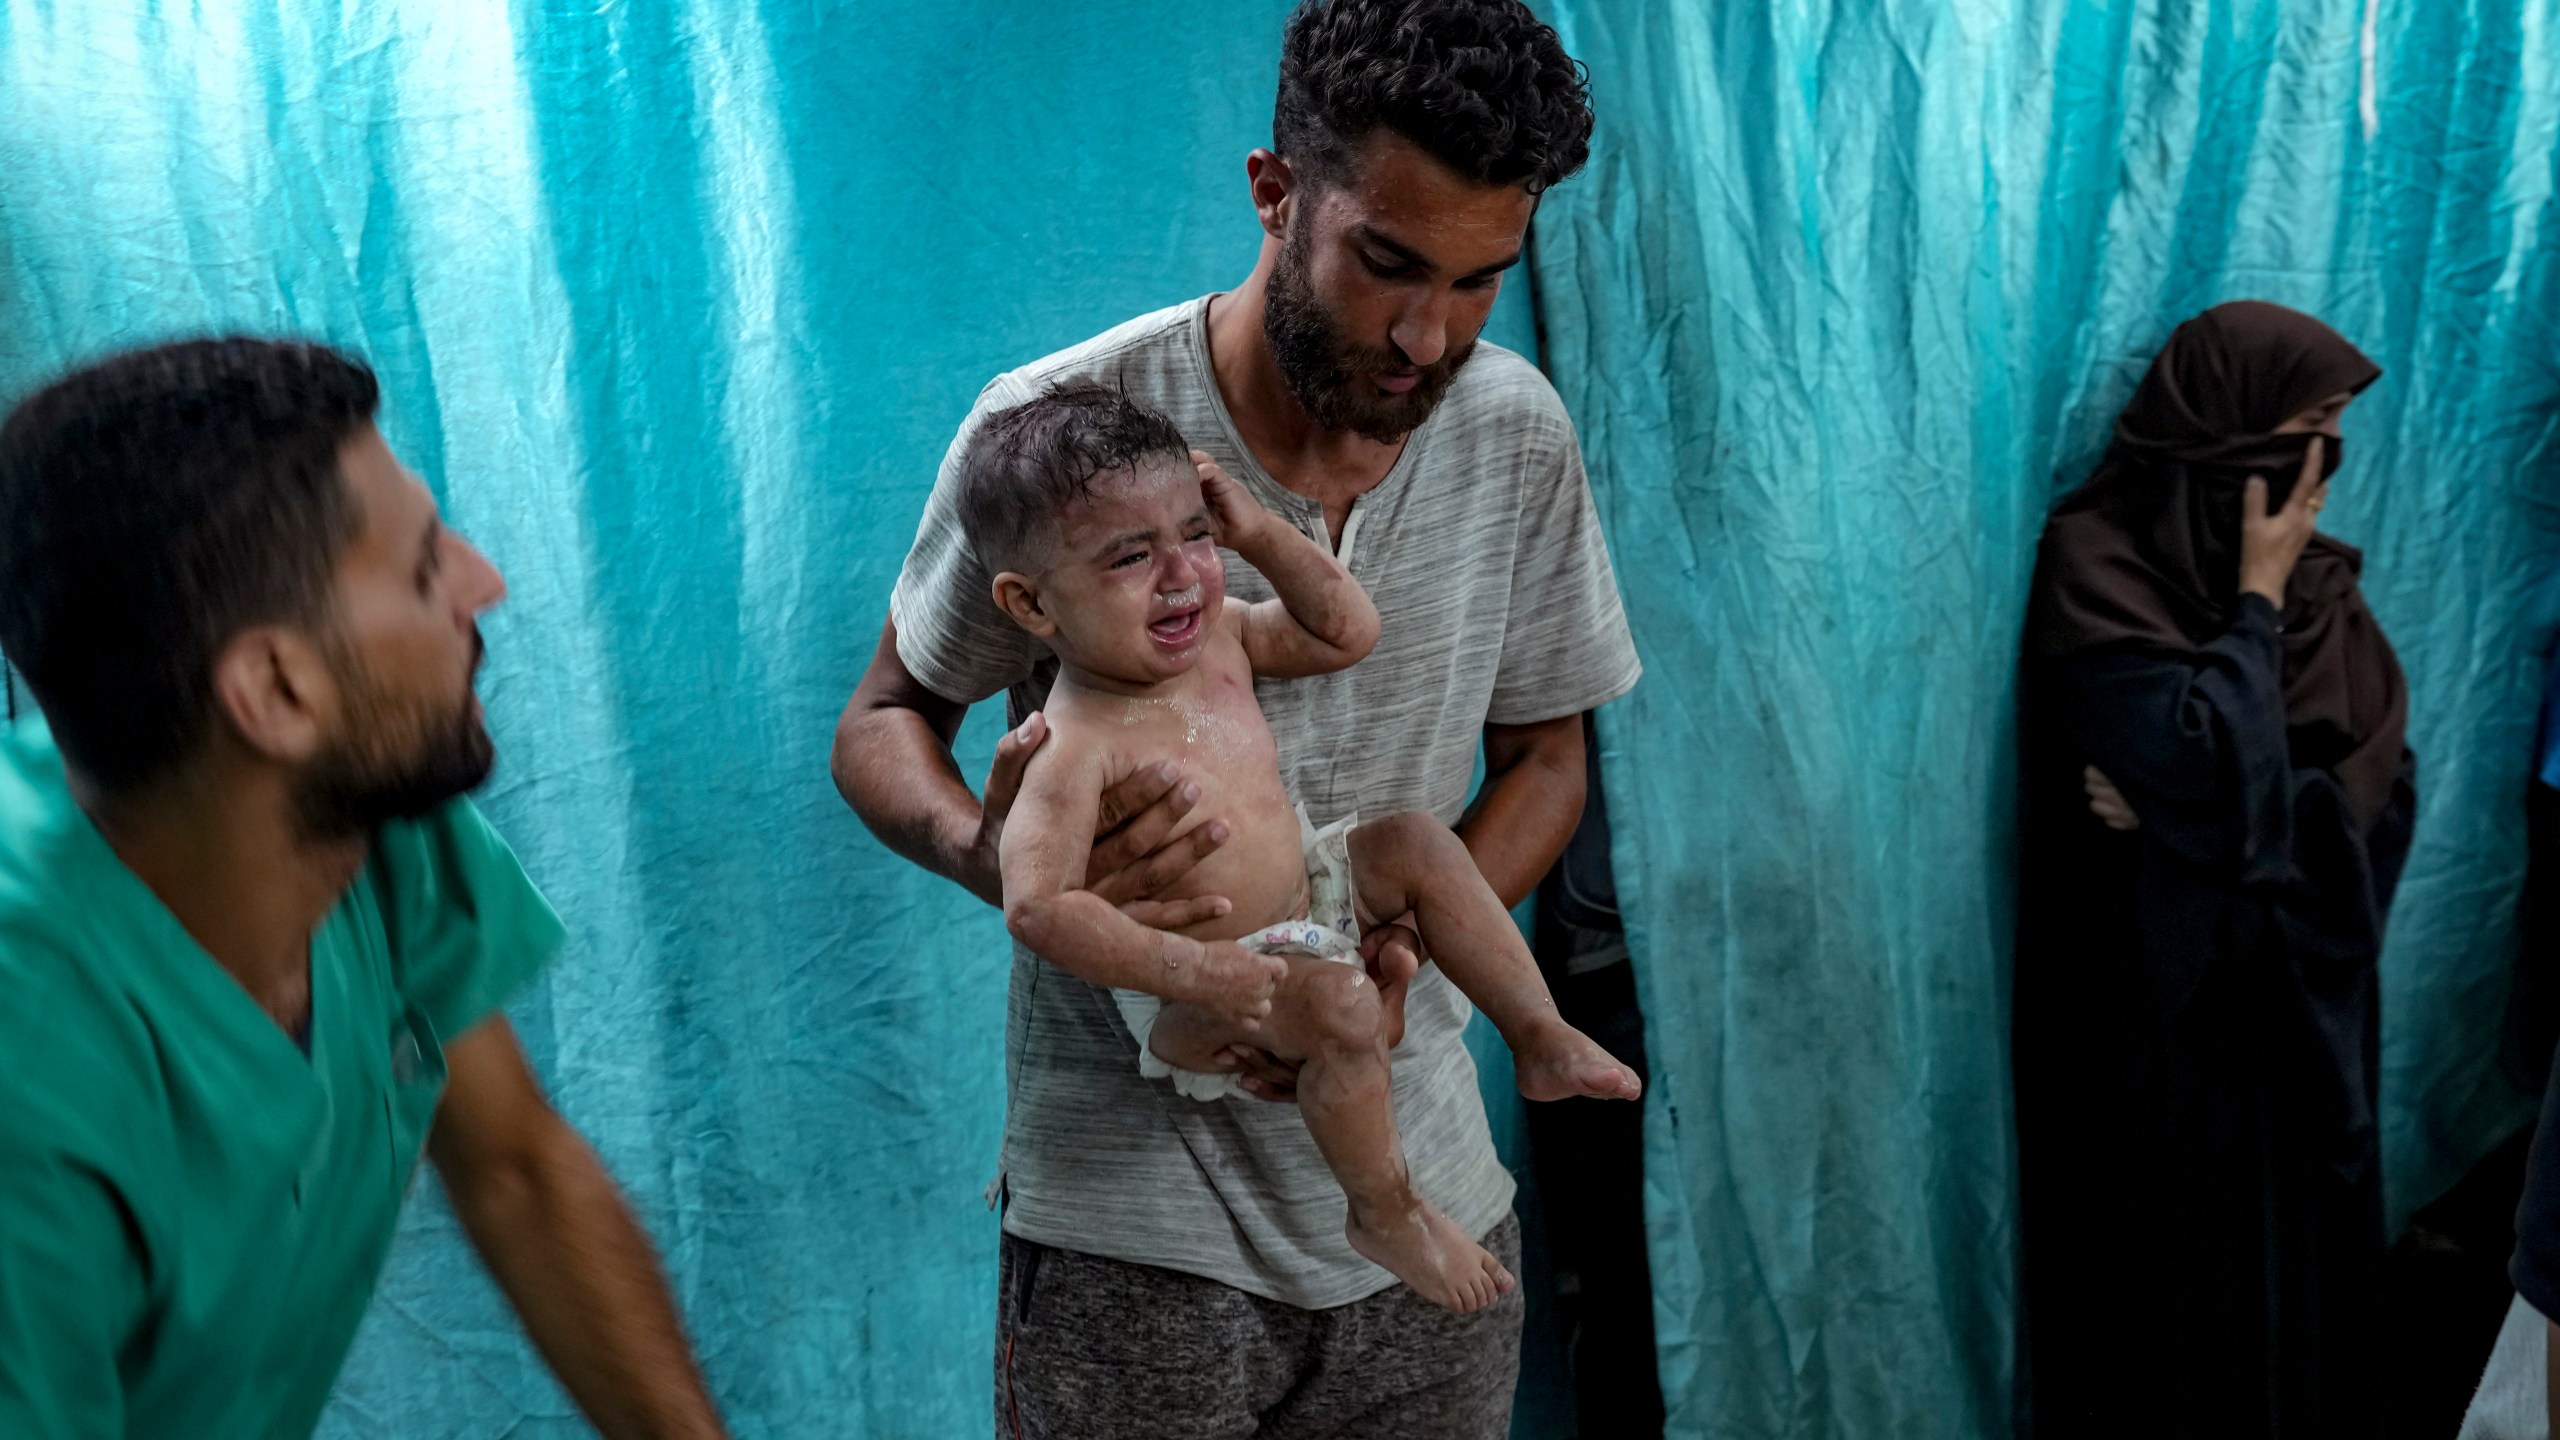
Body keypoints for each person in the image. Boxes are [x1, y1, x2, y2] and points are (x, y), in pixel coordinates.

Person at [830, 0, 1637, 1430]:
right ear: (1275, 192)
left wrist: (1391, 955)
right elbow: (887, 717)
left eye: (1477, 281)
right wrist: (993, 854)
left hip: (1428, 1200)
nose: (1423, 333)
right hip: (1132, 1234)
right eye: (1386, 263)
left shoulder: (1516, 433)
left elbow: (1546, 760)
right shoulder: (1059, 432)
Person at [0, 339, 727, 1438]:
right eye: (426, 567)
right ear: (279, 691)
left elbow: (517, 1170)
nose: (487, 582)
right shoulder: (33, 1096)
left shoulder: (372, 829)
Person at [965, 385, 1640, 1314]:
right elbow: (1038, 906)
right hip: (1192, 994)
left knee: (1411, 841)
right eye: (1130, 555)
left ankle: (1536, 1032)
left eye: (1193, 534)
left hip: (1305, 899)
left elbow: (1346, 631)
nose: (1181, 577)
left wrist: (1259, 538)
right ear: (1030, 604)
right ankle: (1386, 1208)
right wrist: (1206, 977)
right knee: (1336, 1000)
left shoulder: (1224, 638)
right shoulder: (1073, 745)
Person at [2012, 300, 2416, 1438]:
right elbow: (2198, 757)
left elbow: (2381, 790)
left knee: (2295, 1307)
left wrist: (2221, 816)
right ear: (2219, 433)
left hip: (2290, 1025)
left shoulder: (2325, 592)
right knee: (2173, 1306)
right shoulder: (2098, 566)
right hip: (2156, 1029)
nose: (2317, 472)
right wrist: (2252, 599)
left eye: (2336, 432)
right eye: (2303, 429)